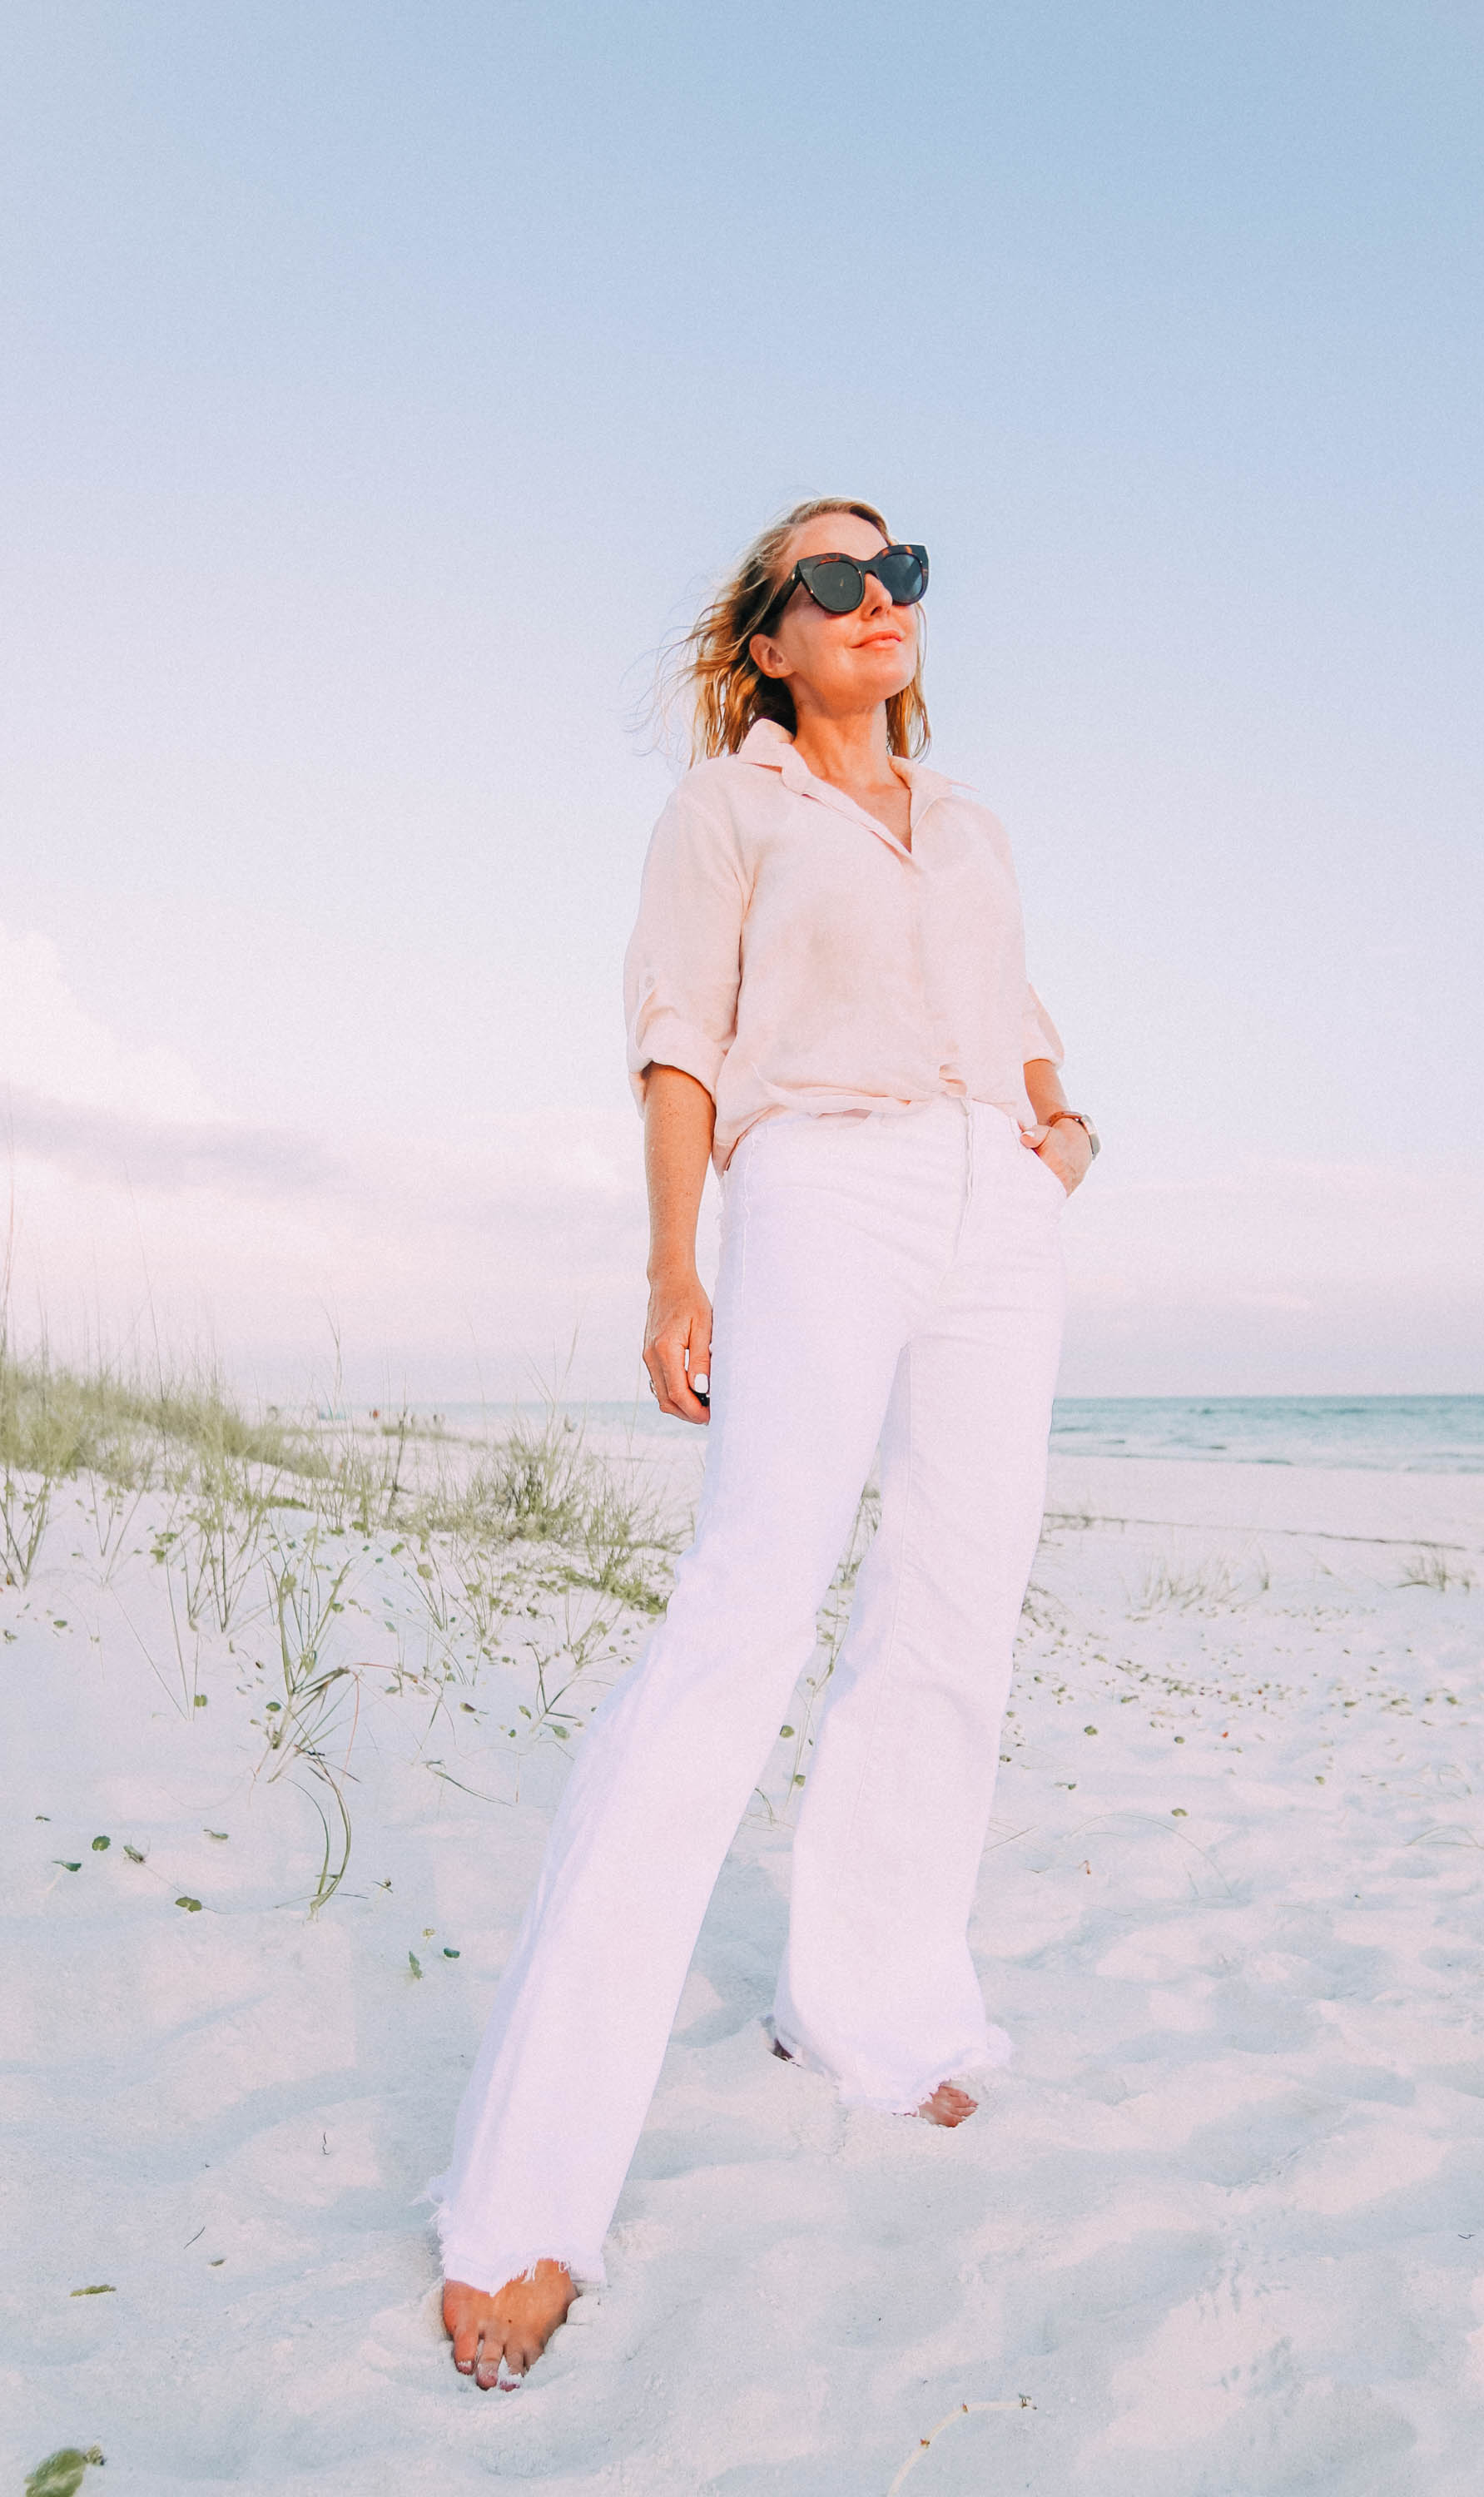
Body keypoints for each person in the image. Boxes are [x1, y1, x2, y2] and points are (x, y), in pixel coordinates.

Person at [434, 497, 1098, 2388]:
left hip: (998, 1210)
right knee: (739, 1627)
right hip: (821, 1184)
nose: (876, 600)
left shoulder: (967, 822)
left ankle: (871, 2015)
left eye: (899, 572)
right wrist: (672, 1261)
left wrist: (1063, 1135)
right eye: (831, 580)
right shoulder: (726, 812)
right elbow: (679, 1039)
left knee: (954, 1619)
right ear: (771, 638)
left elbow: (1021, 1011)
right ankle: (528, 2198)